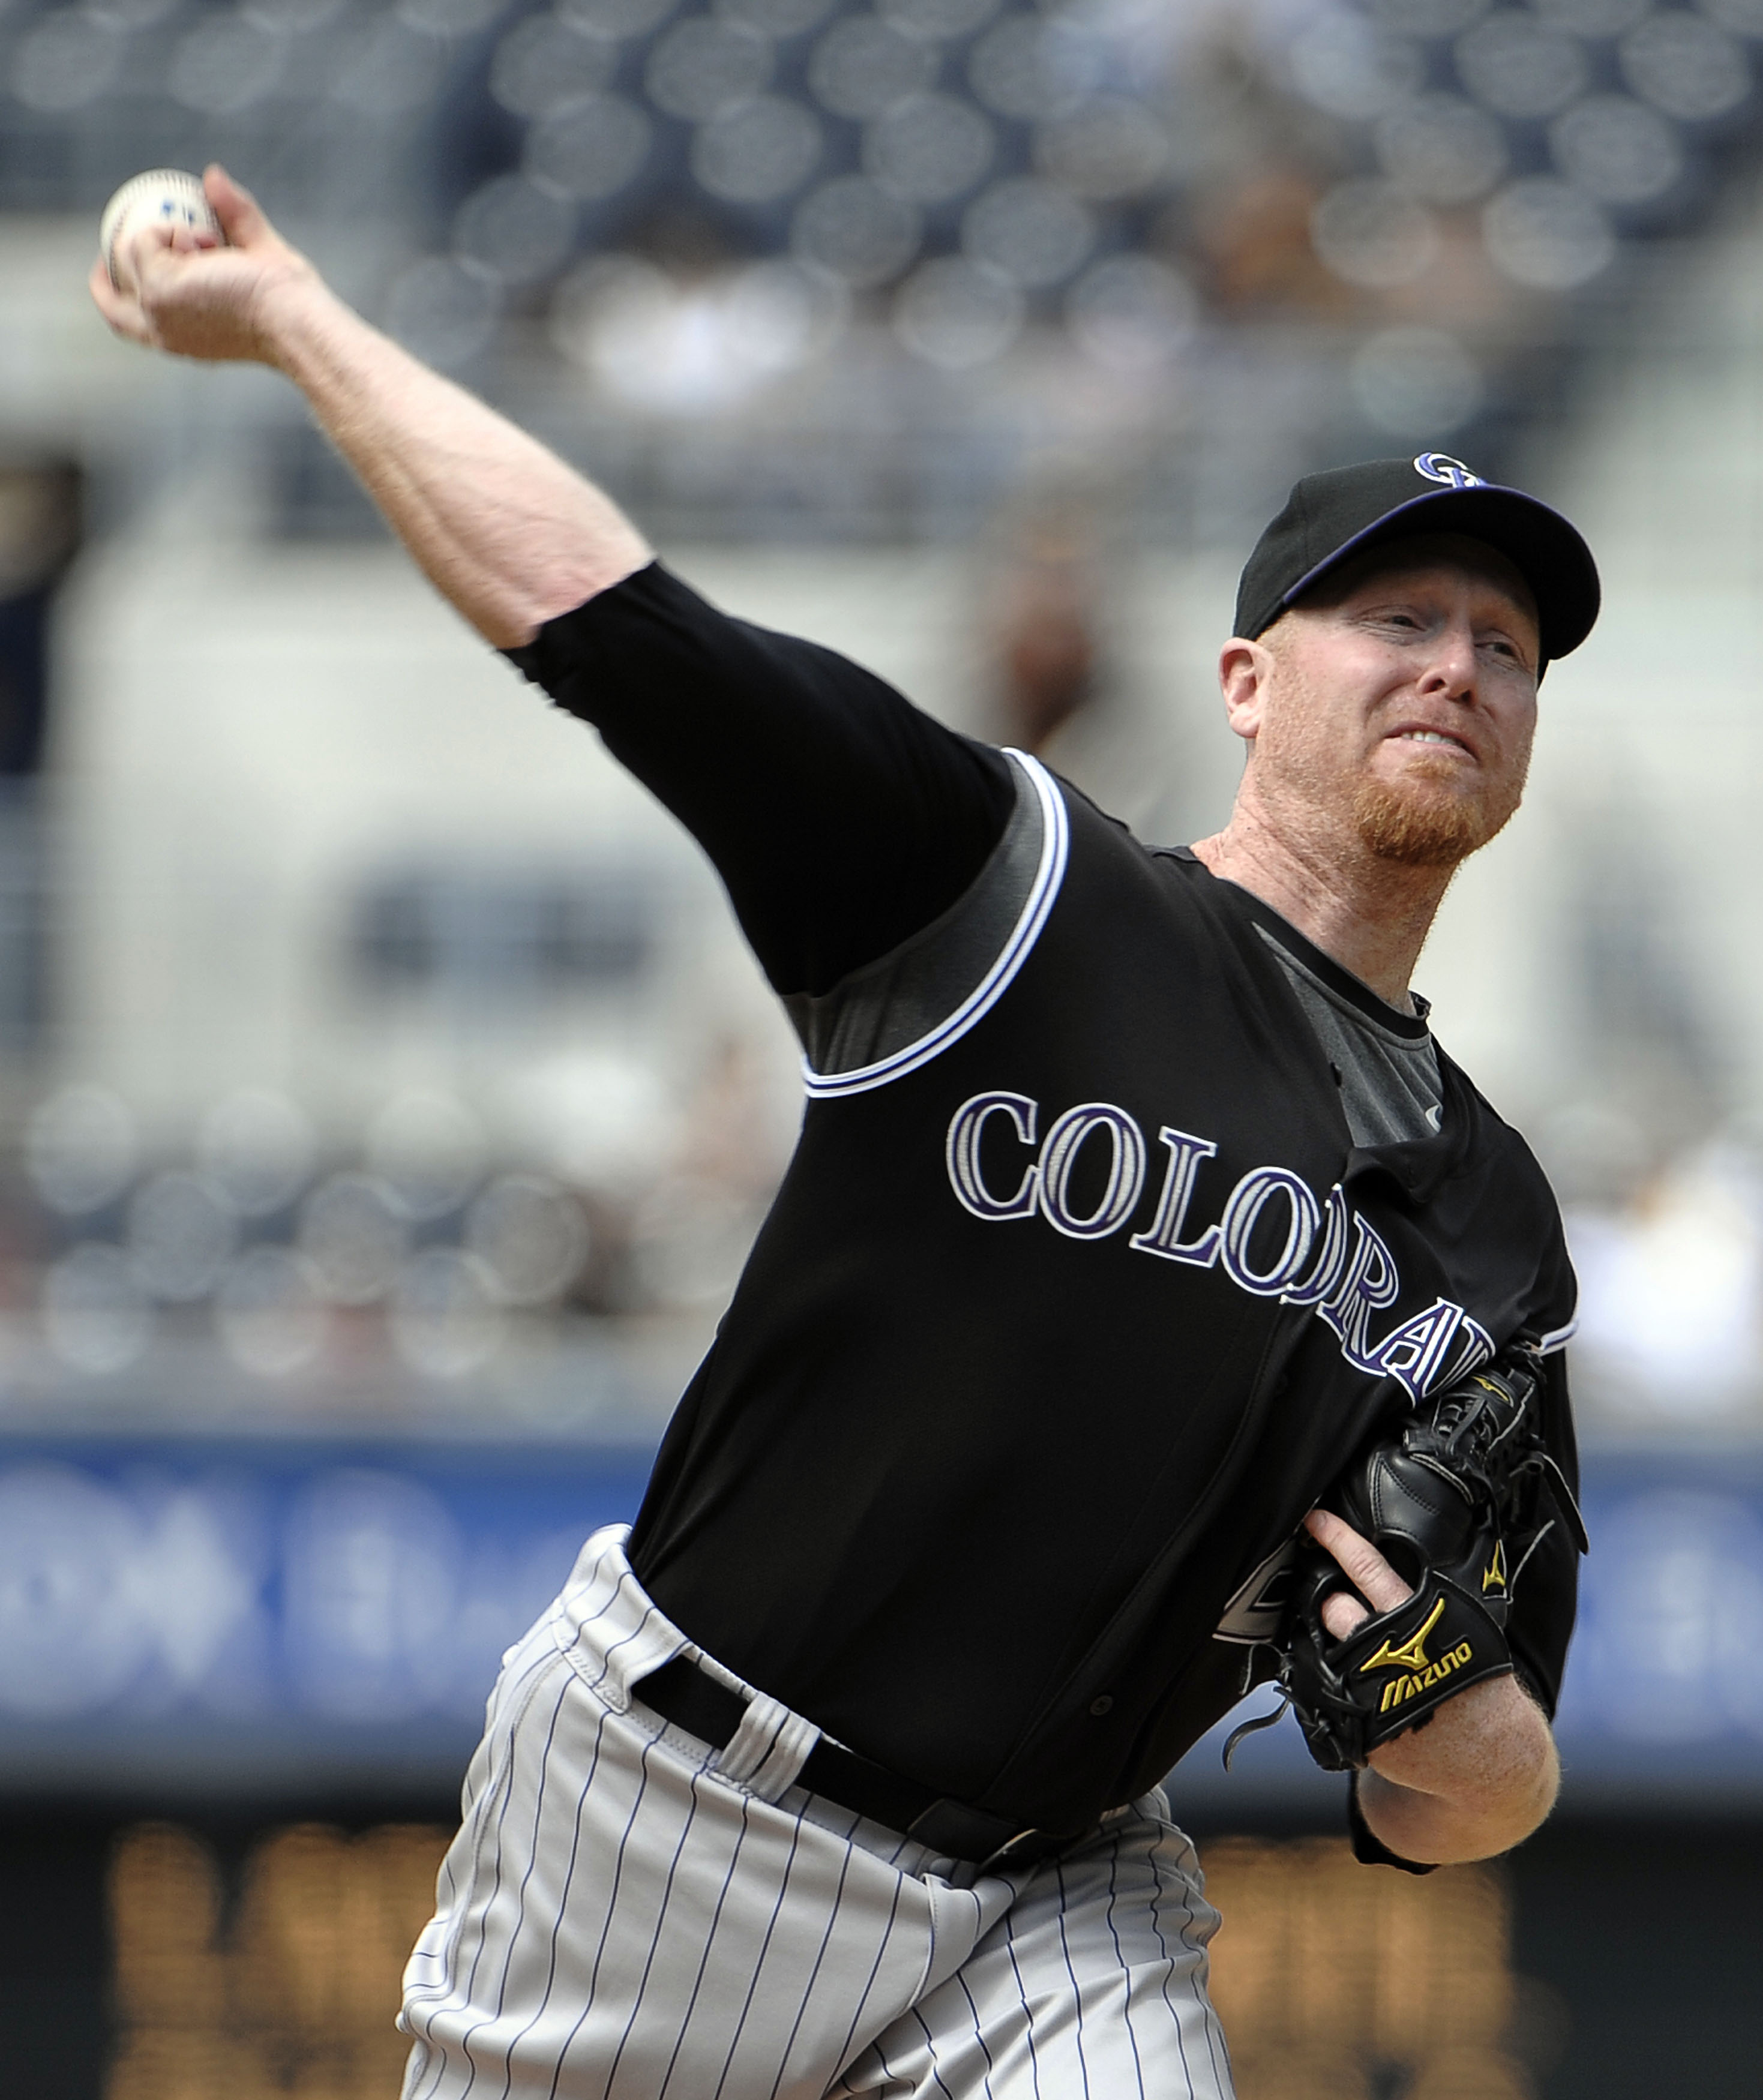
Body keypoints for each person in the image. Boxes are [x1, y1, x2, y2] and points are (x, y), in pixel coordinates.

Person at [93, 169, 1596, 2100]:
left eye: (1505, 647)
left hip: (1066, 1887)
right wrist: (299, 320)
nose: (1458, 666)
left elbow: (1478, 1792)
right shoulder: (1021, 896)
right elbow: (617, 623)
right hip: (678, 1812)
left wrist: (1449, 1731)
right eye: (1397, 612)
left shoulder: (1493, 1229)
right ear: (1243, 681)